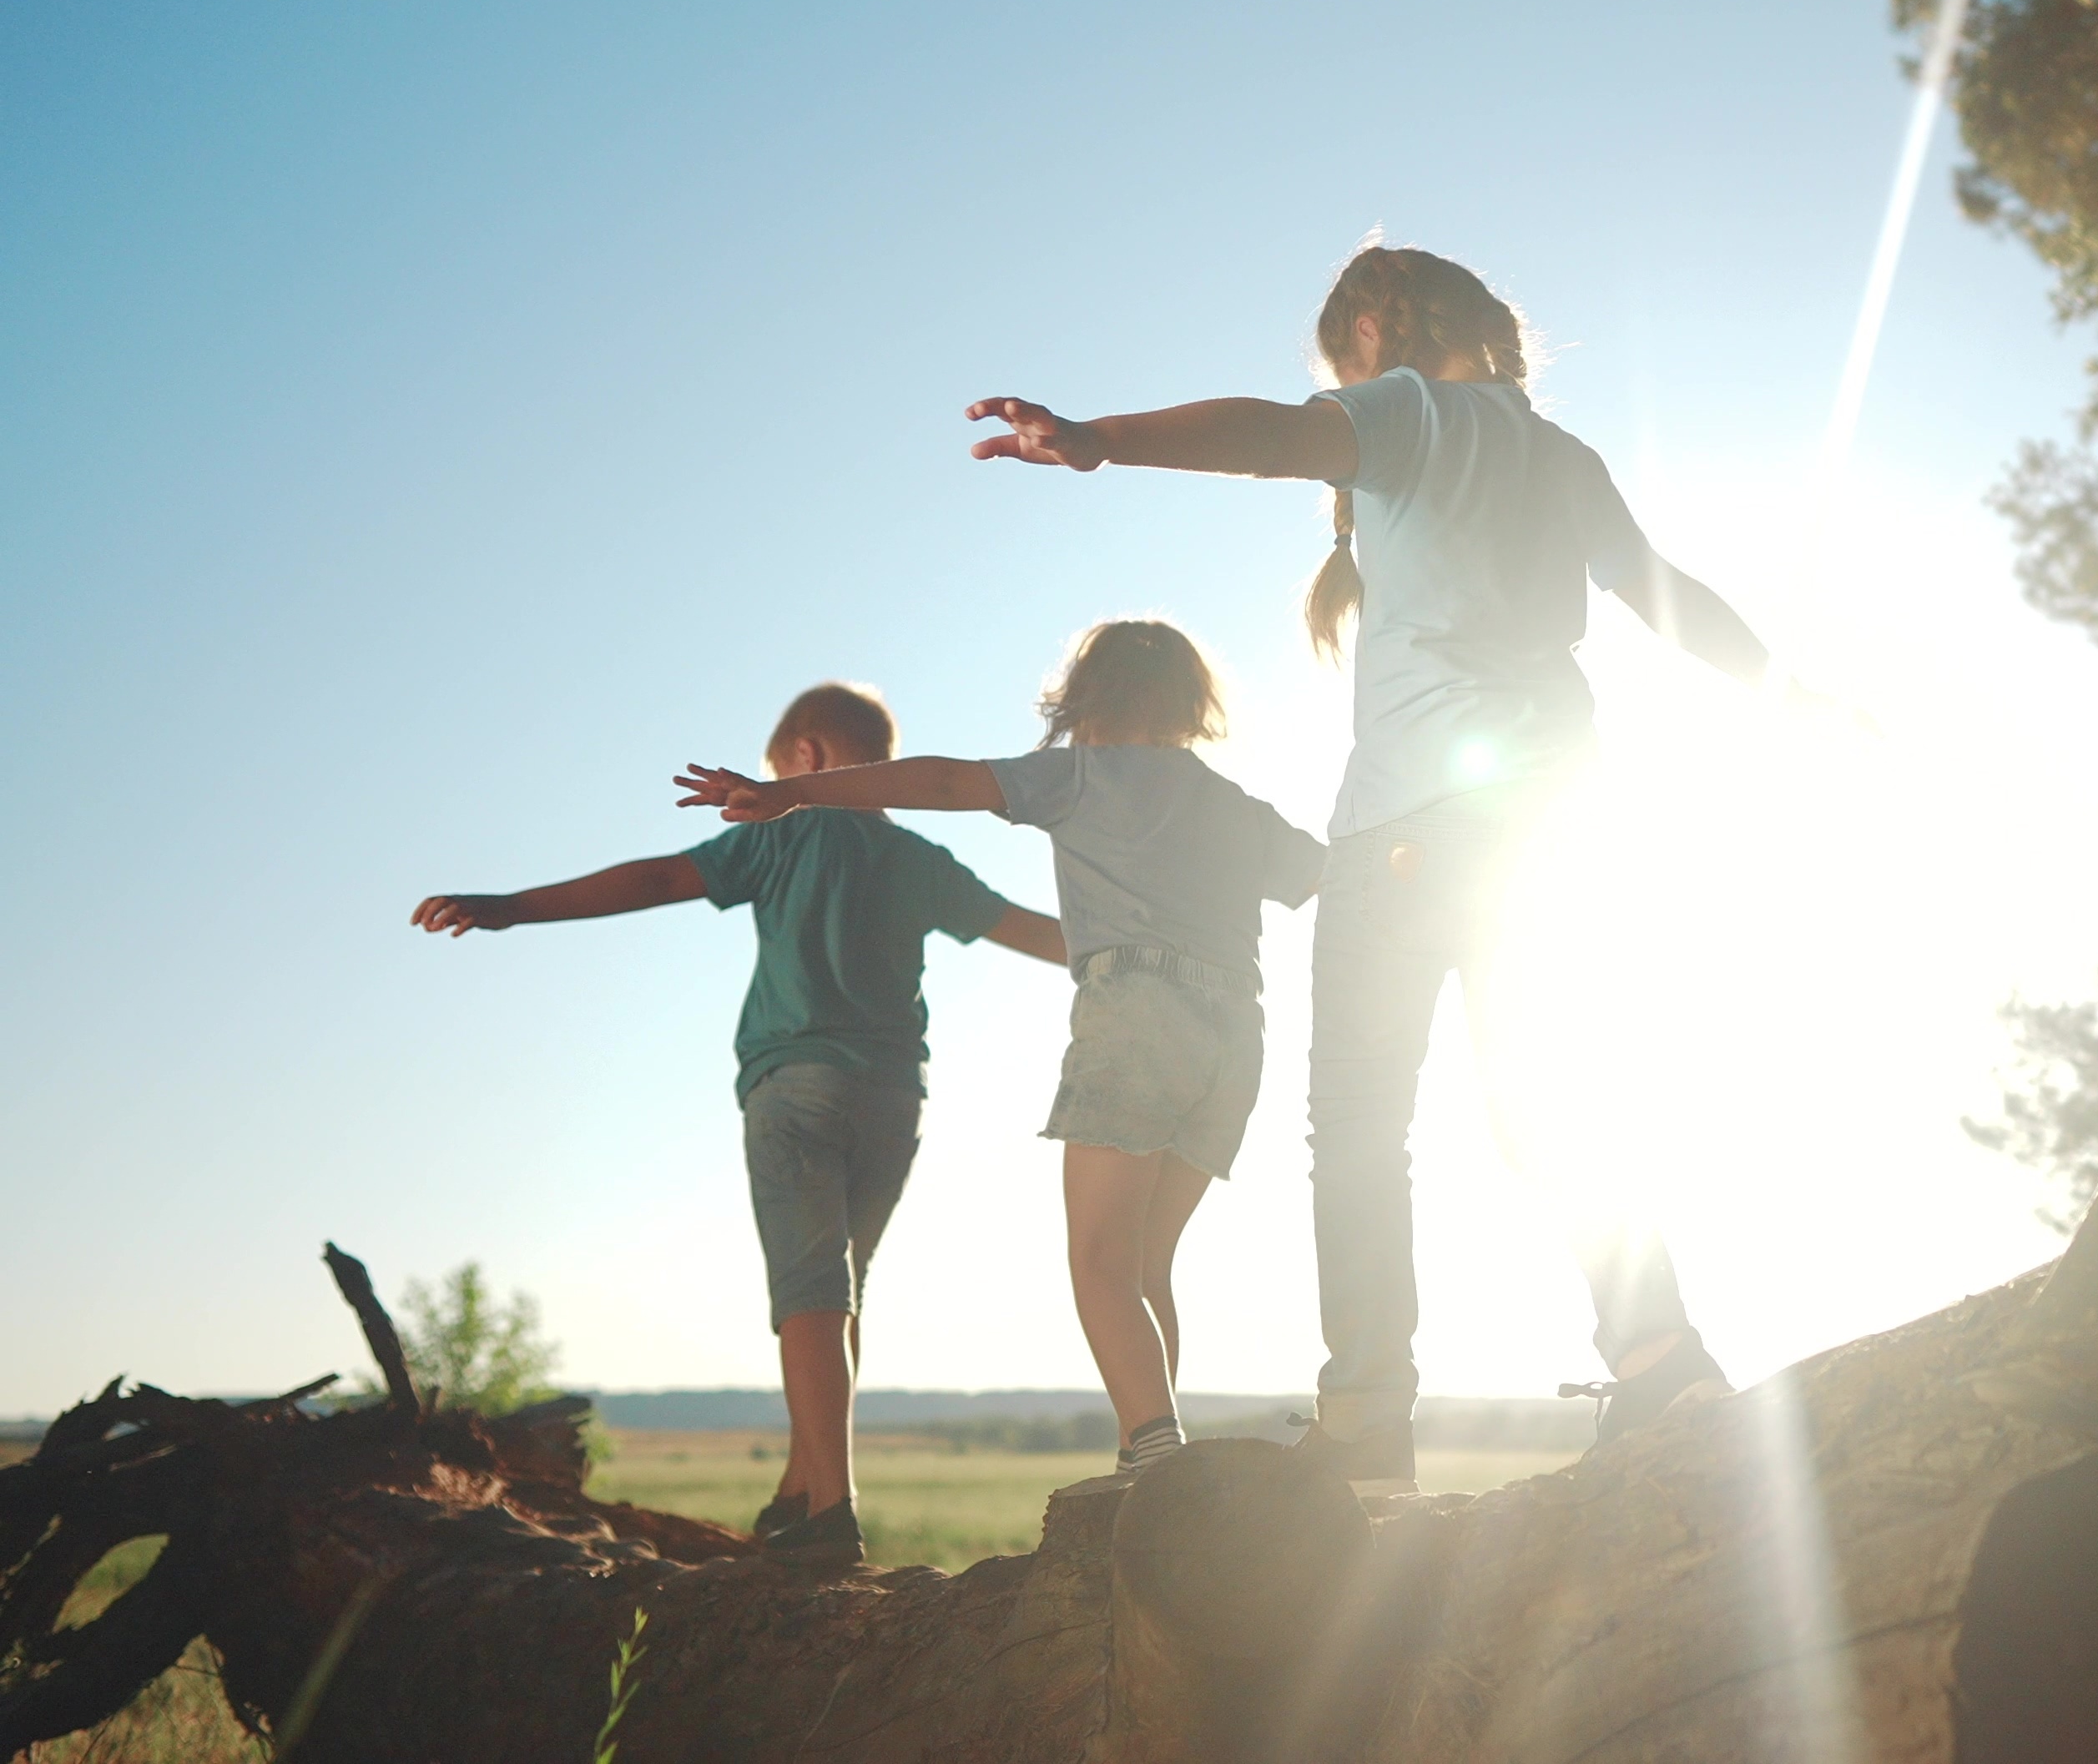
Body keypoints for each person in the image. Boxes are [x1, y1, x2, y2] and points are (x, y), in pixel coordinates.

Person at [964, 244, 1793, 1494]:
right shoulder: (1566, 460)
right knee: (1545, 1102)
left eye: (1334, 362)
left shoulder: (1409, 411)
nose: (1334, 387)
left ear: (1374, 332)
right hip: (1550, 820)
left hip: (1406, 832)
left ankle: (1366, 1422)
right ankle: (1660, 1352)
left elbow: (1266, 437)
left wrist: (1097, 439)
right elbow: (1667, 598)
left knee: (1359, 1131)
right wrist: (1792, 691)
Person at [411, 682, 1066, 1565]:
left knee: (810, 1292)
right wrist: (1158, 947)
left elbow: (659, 877)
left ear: (805, 758)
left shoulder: (785, 830)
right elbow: (1034, 933)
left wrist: (512, 906)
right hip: (894, 1098)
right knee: (843, 1290)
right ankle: (799, 1491)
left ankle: (832, 1513)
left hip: (797, 1083)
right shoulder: (916, 856)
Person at [673, 621, 1322, 1479]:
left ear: (1083, 698)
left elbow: (944, 779)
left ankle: (1158, 1455)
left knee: (1098, 1262)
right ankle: (1150, 1441)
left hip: (1135, 1016)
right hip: (1237, 1034)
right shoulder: (1235, 807)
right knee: (1143, 1262)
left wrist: (800, 794)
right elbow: (1333, 879)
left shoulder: (1079, 775)